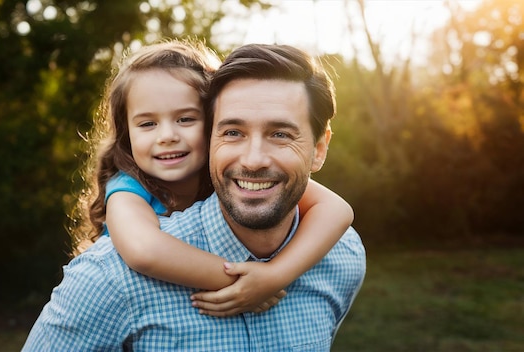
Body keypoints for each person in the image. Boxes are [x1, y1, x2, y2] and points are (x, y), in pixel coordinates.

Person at [23, 43, 366, 351]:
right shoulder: (117, 232)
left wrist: (276, 275)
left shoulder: (340, 255)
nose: (168, 136)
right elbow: (144, 250)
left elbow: (337, 208)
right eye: (147, 124)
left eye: (185, 119)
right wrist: (244, 281)